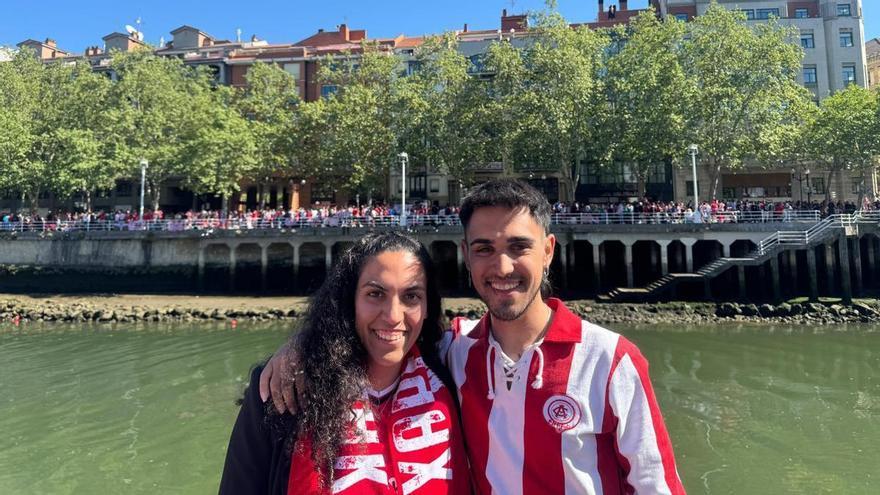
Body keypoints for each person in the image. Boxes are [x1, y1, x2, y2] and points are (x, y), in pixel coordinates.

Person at [262, 179, 685, 494]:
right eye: (484, 249)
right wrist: (300, 347)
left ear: (549, 250)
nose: (501, 267)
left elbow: (655, 484)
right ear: (466, 256)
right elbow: (384, 334)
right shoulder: (455, 351)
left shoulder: (611, 361)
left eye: (519, 247)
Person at [220, 232, 471, 494]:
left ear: (428, 305)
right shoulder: (283, 390)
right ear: (349, 300)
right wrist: (305, 344)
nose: (393, 316)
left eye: (411, 297)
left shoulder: (453, 369)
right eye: (375, 294)